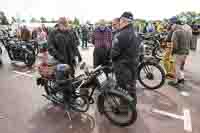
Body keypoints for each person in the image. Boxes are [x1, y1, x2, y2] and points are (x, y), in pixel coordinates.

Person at [111, 12, 139, 102]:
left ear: (123, 20)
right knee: (132, 86)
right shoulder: (135, 32)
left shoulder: (120, 35)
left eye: (120, 21)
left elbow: (114, 53)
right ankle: (133, 104)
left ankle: (124, 107)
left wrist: (111, 58)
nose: (119, 23)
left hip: (123, 66)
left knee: (122, 88)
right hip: (133, 63)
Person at [168, 23, 192, 87]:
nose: (172, 29)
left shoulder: (176, 33)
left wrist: (172, 52)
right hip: (186, 52)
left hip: (179, 52)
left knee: (176, 67)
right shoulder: (187, 32)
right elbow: (190, 42)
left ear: (175, 27)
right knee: (180, 66)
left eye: (173, 27)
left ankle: (175, 81)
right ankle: (181, 78)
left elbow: (174, 44)